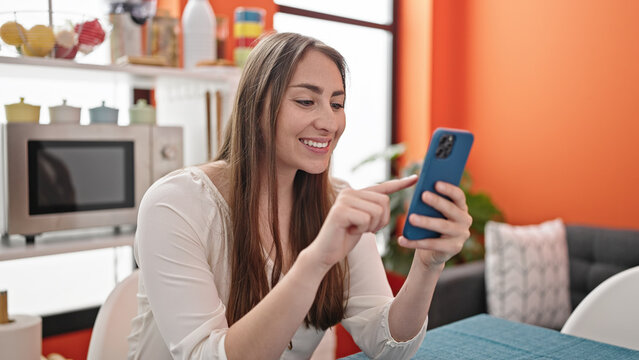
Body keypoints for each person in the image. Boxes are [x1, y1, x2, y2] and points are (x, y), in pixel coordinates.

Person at [127, 32, 472, 359]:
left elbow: (388, 347)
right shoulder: (175, 205)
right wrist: (316, 259)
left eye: (337, 104)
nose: (329, 122)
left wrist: (427, 264)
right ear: (256, 105)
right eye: (306, 101)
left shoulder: (336, 201)